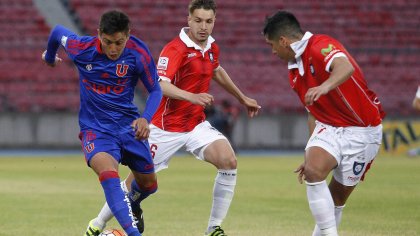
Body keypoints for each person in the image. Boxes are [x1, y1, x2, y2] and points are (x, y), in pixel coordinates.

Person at [85, 1, 261, 235]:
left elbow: (216, 69)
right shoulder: (175, 49)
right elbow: (160, 85)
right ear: (188, 19)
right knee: (133, 185)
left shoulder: (211, 47)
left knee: (228, 160)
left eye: (208, 21)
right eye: (198, 20)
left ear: (214, 21)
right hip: (164, 128)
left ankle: (213, 228)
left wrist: (242, 97)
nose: (203, 27)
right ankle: (97, 224)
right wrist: (192, 97)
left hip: (195, 125)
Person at [263, 11, 385, 236]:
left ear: (283, 41)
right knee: (313, 171)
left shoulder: (320, 45)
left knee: (336, 199)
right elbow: (313, 112)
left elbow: (345, 67)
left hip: (362, 131)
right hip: (328, 126)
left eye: (272, 45)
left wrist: (324, 86)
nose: (273, 52)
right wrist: (311, 151)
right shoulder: (293, 70)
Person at [42, 10, 162, 236]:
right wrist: (49, 57)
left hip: (129, 127)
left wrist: (146, 119)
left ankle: (132, 205)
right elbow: (58, 32)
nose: (113, 49)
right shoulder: (83, 48)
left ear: (128, 35)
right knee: (109, 174)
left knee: (149, 184)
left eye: (119, 42)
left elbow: (155, 89)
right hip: (96, 129)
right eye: (107, 42)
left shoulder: (138, 53)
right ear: (98, 34)